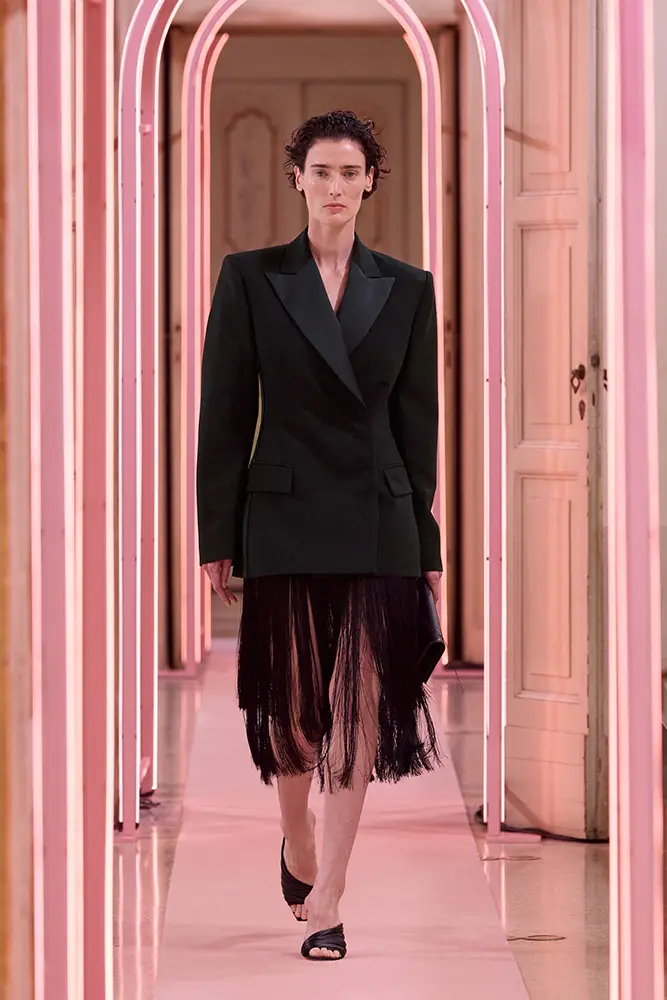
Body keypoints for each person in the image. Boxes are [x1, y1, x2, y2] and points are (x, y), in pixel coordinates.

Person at [196, 109, 444, 962]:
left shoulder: (407, 287)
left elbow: (418, 429)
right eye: (322, 172)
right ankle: (296, 836)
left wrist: (426, 546)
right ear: (297, 178)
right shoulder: (250, 278)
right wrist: (217, 533)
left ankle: (330, 893)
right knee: (293, 715)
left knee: (358, 708)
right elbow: (224, 415)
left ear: (371, 182)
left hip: (377, 517)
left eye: (351, 173)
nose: (336, 187)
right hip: (285, 511)